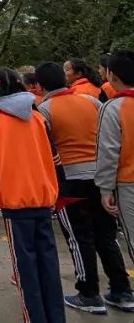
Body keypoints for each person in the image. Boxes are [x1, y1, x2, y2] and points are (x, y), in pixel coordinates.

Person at [36, 61, 132, 314]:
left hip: (70, 180)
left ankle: (89, 293)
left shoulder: (44, 109)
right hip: (100, 178)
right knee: (106, 236)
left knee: (80, 238)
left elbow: (45, 149)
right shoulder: (92, 102)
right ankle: (122, 290)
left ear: (39, 85)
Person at [0, 68, 65, 323]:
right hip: (44, 199)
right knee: (49, 267)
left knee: (26, 271)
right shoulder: (37, 118)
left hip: (15, 203)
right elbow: (56, 161)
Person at [96, 50, 134, 312]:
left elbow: (109, 151)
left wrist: (105, 189)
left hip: (128, 183)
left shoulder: (114, 107)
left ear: (112, 75)